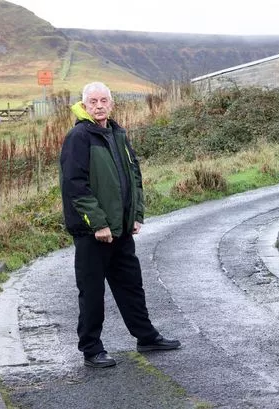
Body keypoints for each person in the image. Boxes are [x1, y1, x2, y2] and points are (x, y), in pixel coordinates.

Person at [59, 82, 180, 368]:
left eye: (104, 100)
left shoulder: (117, 134)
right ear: (85, 105)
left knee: (131, 286)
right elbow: (75, 186)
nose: (99, 106)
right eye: (93, 101)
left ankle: (146, 337)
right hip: (94, 232)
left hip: (122, 229)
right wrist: (98, 224)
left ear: (111, 104)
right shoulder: (79, 137)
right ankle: (92, 349)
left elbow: (134, 175)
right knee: (92, 292)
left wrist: (136, 214)